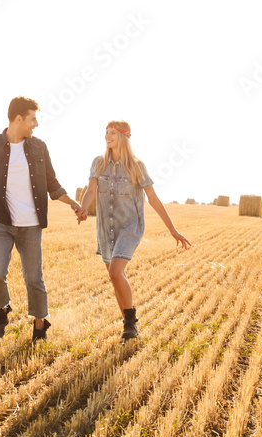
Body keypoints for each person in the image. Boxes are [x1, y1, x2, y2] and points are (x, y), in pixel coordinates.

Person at [0, 96, 84, 341]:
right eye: (33, 119)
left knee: (34, 278)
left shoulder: (39, 147)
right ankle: (1, 312)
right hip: (0, 222)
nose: (36, 124)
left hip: (31, 226)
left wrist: (73, 203)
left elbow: (52, 183)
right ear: (18, 119)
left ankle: (40, 326)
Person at [78, 121, 191, 339]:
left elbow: (154, 199)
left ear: (124, 137)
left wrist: (172, 230)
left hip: (130, 226)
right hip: (105, 228)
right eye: (106, 133)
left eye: (113, 133)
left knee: (115, 272)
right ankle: (128, 327)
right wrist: (83, 208)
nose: (107, 136)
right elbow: (91, 190)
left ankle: (131, 322)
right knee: (115, 278)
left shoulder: (136, 166)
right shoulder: (98, 163)